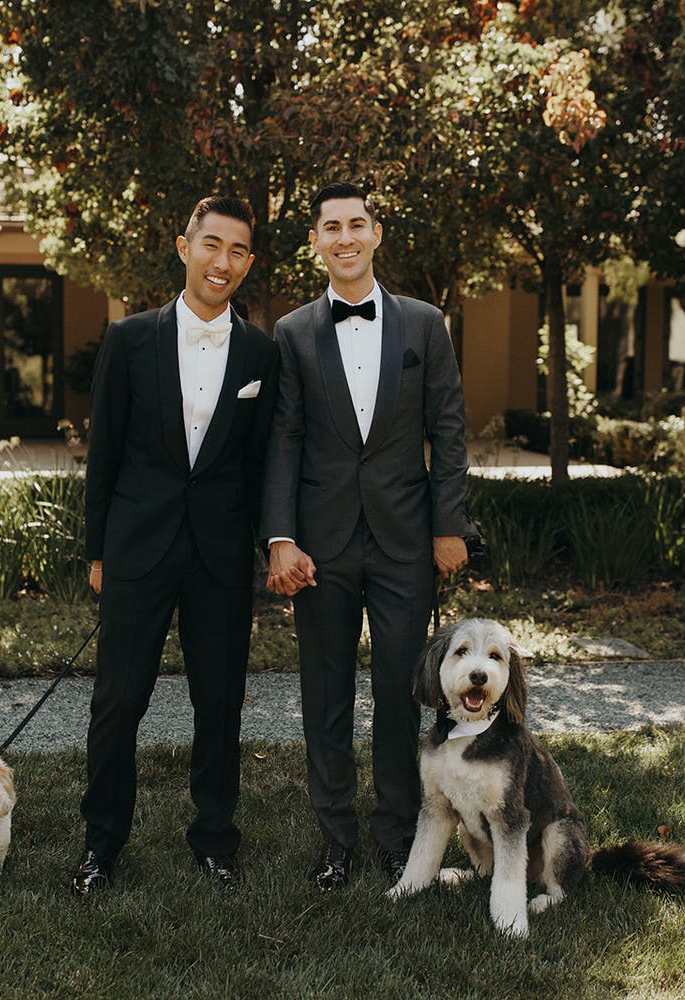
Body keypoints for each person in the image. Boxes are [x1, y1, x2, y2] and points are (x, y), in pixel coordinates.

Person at [262, 181, 474, 890]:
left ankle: (395, 835)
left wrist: (449, 527)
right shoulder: (293, 333)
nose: (345, 237)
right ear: (317, 241)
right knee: (325, 693)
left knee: (398, 690)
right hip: (318, 547)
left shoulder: (424, 324)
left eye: (357, 224)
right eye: (331, 227)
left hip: (405, 541)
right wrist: (281, 538)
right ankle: (335, 839)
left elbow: (447, 431)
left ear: (376, 234)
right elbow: (283, 440)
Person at [74, 196, 279, 894]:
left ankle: (215, 839)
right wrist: (98, 551)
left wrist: (266, 543)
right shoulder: (129, 340)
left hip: (220, 556)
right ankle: (102, 844)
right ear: (184, 246)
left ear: (248, 264)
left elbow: (259, 464)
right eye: (211, 245)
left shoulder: (261, 353)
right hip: (137, 548)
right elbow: (103, 453)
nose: (222, 262)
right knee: (118, 702)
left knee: (219, 705)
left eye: (238, 251)